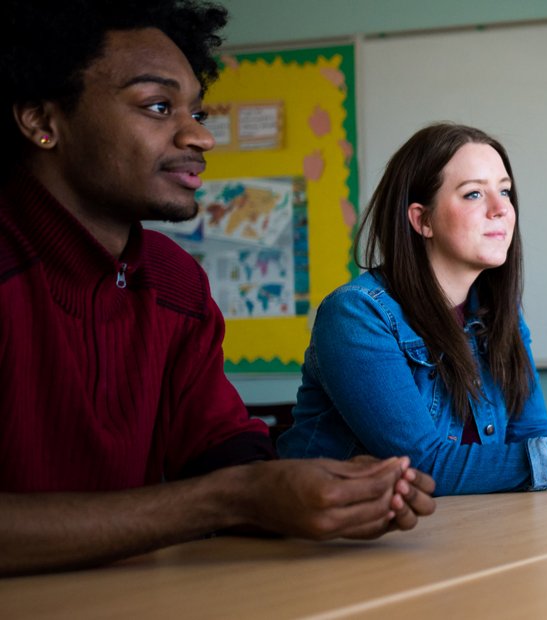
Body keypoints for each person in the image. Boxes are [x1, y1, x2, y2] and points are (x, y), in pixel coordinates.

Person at [0, 0, 436, 577]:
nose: (199, 136)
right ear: (41, 120)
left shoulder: (176, 282)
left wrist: (318, 491)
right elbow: (224, 490)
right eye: (158, 106)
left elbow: (220, 448)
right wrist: (235, 496)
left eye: (197, 112)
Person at [277, 123, 547, 495]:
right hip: (330, 548)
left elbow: (531, 435)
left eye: (505, 190)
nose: (501, 208)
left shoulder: (496, 313)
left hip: (457, 532)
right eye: (474, 193)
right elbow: (421, 465)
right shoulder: (356, 315)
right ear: (422, 220)